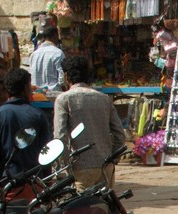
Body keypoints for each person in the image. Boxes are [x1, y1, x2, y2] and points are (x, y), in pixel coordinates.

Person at [54, 56, 126, 191]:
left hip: (81, 166)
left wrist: (65, 165)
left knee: (83, 209)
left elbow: (60, 136)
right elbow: (119, 133)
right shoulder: (103, 98)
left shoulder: (64, 99)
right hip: (106, 164)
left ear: (66, 76)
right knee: (104, 208)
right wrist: (113, 157)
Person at [0, 68, 52, 188]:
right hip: (35, 183)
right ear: (26, 88)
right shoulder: (38, 115)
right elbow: (46, 150)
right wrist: (47, 180)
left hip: (8, 182)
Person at [30, 26, 65, 91]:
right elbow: (62, 77)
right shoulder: (58, 53)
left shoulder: (34, 54)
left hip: (37, 94)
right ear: (55, 36)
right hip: (53, 94)